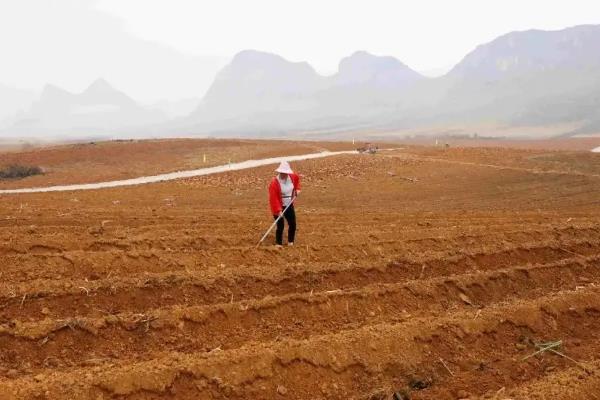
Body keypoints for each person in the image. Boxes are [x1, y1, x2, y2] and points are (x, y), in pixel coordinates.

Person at [269, 161, 301, 246]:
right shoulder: (274, 183)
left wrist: (297, 190)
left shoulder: (292, 177)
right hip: (278, 206)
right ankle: (278, 243)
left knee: (292, 224)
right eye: (282, 173)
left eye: (285, 173)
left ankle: (291, 242)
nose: (284, 174)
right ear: (279, 172)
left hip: (289, 204)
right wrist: (279, 211)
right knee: (280, 226)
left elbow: (297, 182)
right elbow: (273, 199)